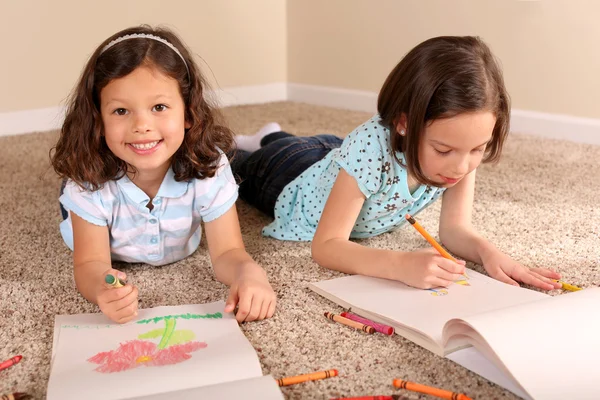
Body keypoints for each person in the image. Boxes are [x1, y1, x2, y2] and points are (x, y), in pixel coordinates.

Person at [231, 36, 562, 291]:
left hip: (337, 158)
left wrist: (488, 253)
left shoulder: (460, 150)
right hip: (289, 174)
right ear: (403, 123)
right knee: (234, 164)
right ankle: (263, 141)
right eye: (444, 150)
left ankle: (271, 134)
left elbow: (454, 230)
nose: (462, 167)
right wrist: (399, 264)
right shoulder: (368, 149)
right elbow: (327, 246)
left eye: (478, 149)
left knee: (316, 148)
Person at [51, 25, 276, 324]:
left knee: (242, 162)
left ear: (188, 114)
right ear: (97, 119)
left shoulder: (208, 168)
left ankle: (257, 141)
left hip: (190, 154)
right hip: (96, 174)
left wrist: (250, 272)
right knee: (74, 181)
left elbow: (228, 252)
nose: (141, 125)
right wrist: (101, 289)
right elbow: (90, 263)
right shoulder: (88, 182)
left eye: (159, 106)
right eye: (121, 111)